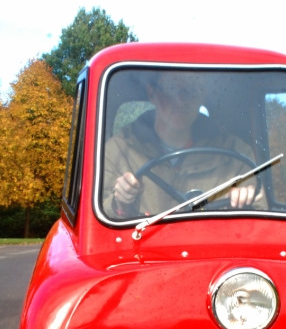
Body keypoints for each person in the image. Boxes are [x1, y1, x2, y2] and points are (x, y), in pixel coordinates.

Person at [102, 71, 258, 219]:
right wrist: (120, 203)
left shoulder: (236, 154)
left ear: (202, 96)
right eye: (172, 88)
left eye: (193, 90)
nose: (182, 100)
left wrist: (245, 201)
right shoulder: (118, 151)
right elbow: (96, 227)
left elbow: (261, 219)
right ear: (152, 93)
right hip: (140, 245)